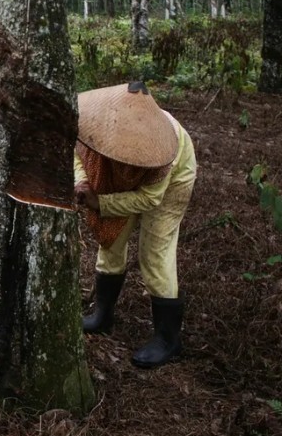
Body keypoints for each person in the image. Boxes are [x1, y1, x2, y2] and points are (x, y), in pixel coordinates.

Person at [74, 81, 197, 369]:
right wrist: (82, 182)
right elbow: (78, 153)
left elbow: (149, 199)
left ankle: (168, 339)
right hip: (123, 176)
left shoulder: (165, 149)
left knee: (154, 253)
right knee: (112, 238)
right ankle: (103, 315)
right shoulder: (99, 124)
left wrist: (100, 203)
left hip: (171, 185)